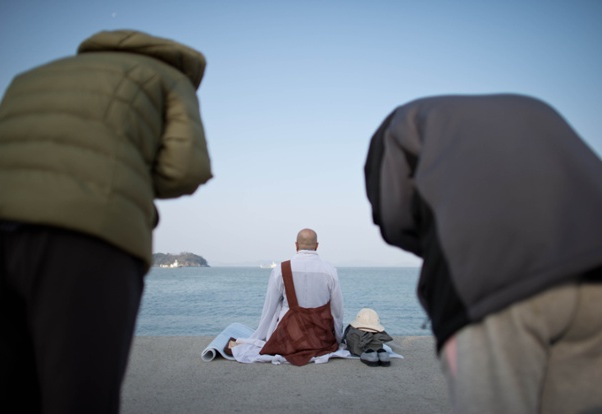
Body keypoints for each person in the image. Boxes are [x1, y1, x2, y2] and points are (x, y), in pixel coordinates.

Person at [0, 30, 212, 414]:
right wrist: (126, 178)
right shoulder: (168, 76)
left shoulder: (34, 75)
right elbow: (185, 169)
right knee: (79, 393)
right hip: (85, 235)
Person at [364, 94, 602, 413]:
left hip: (498, 284)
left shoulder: (400, 124)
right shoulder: (534, 108)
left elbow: (393, 214)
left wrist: (435, 250)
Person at [231, 229, 344, 364]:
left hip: (289, 340)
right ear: (317, 246)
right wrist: (337, 339)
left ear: (296, 245)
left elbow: (269, 308)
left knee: (280, 305)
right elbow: (337, 311)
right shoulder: (330, 270)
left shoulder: (281, 269)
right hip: (321, 340)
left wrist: (263, 336)